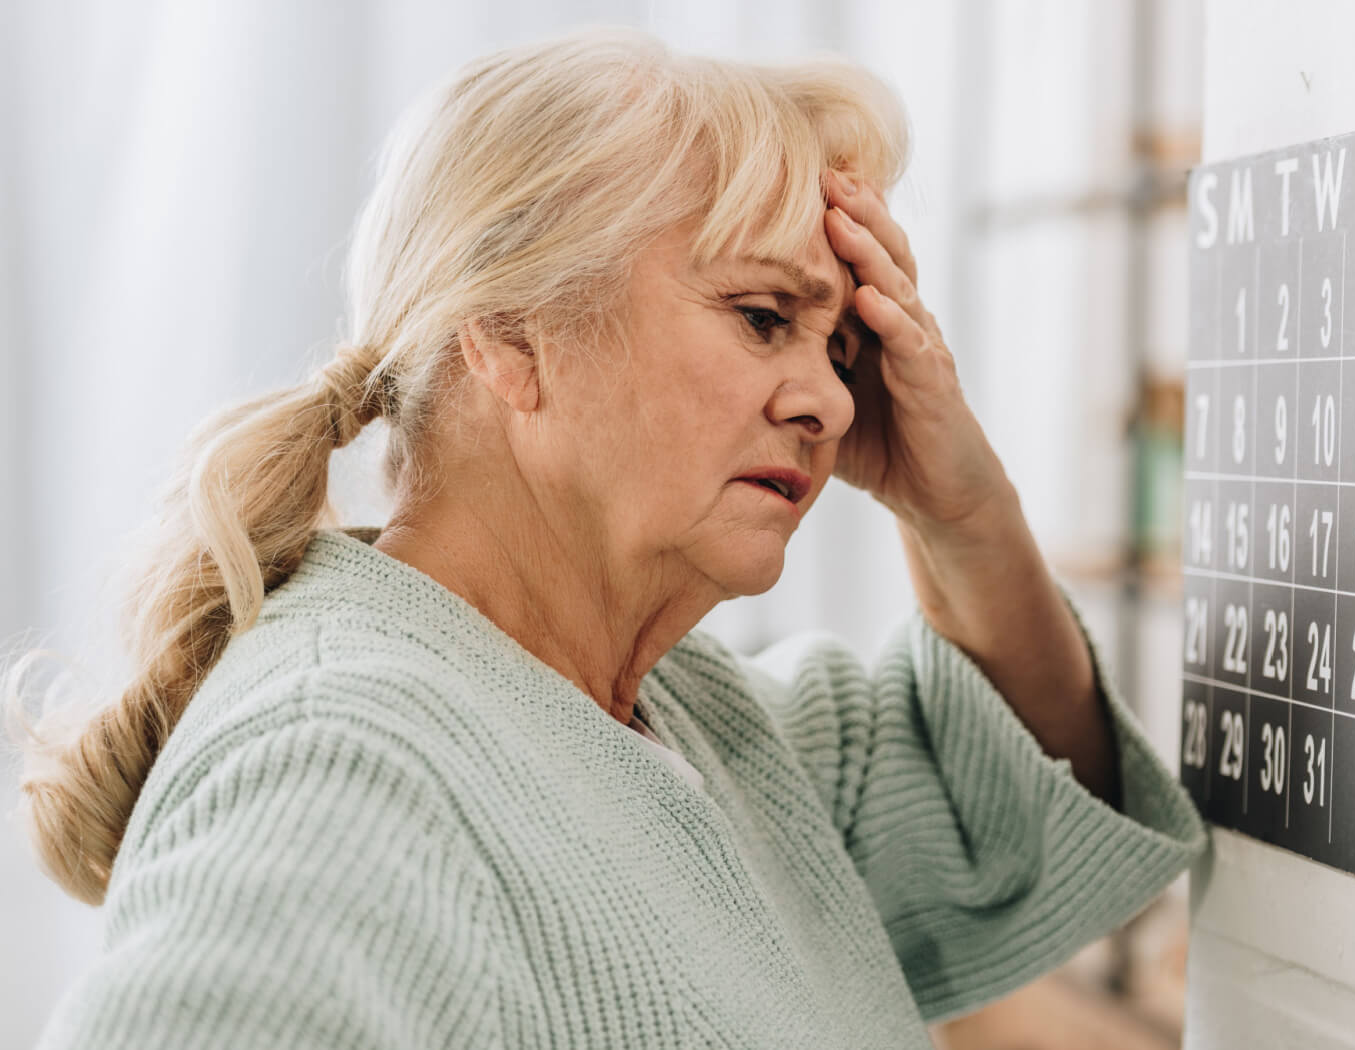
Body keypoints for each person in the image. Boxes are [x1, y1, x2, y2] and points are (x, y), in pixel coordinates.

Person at [10, 28, 1204, 1049]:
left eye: (837, 351)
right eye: (761, 316)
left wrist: (961, 509)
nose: (833, 403)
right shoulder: (344, 760)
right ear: (513, 336)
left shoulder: (700, 724)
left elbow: (1008, 794)